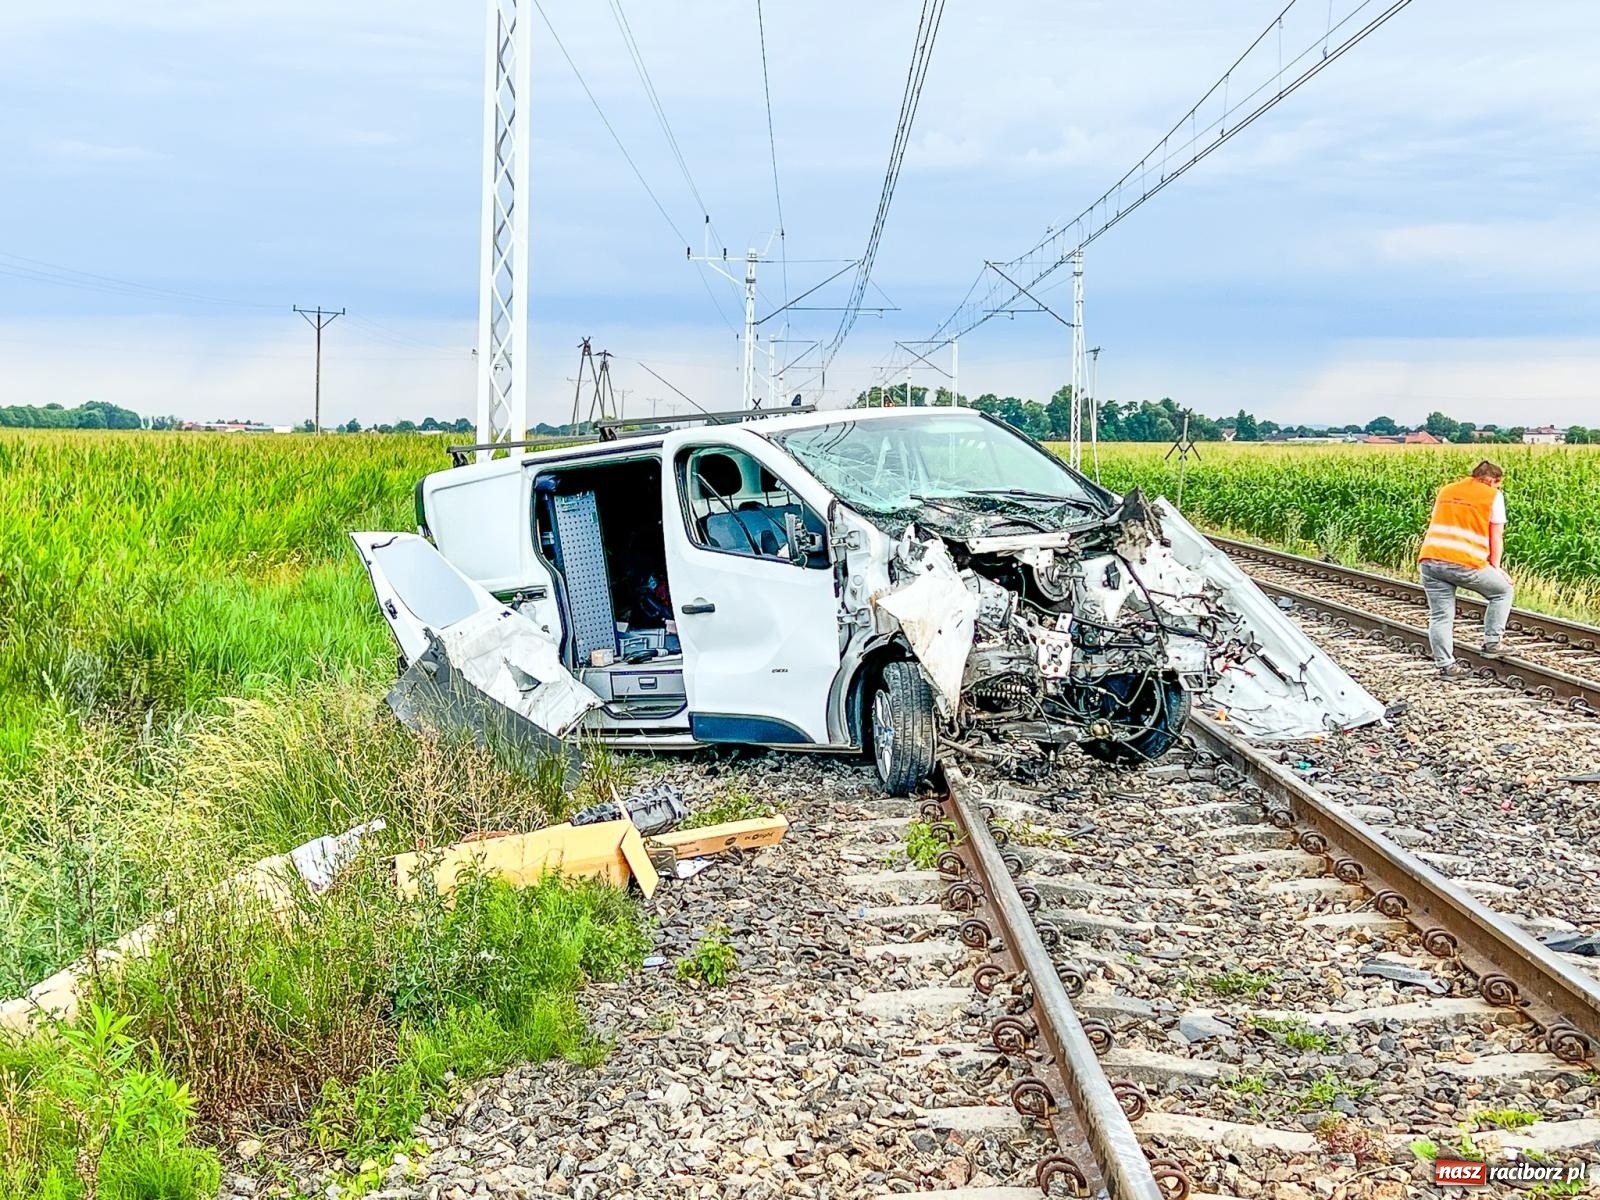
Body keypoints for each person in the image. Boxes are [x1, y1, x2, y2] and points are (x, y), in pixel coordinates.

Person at [1418, 460, 1512, 680]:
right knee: (1502, 591)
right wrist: (1496, 568)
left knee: (1441, 615)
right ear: (1492, 481)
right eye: (1498, 485)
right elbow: (1496, 535)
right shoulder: (1492, 496)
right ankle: (1492, 642)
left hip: (1430, 560)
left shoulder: (1447, 490)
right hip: (1465, 562)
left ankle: (1446, 666)